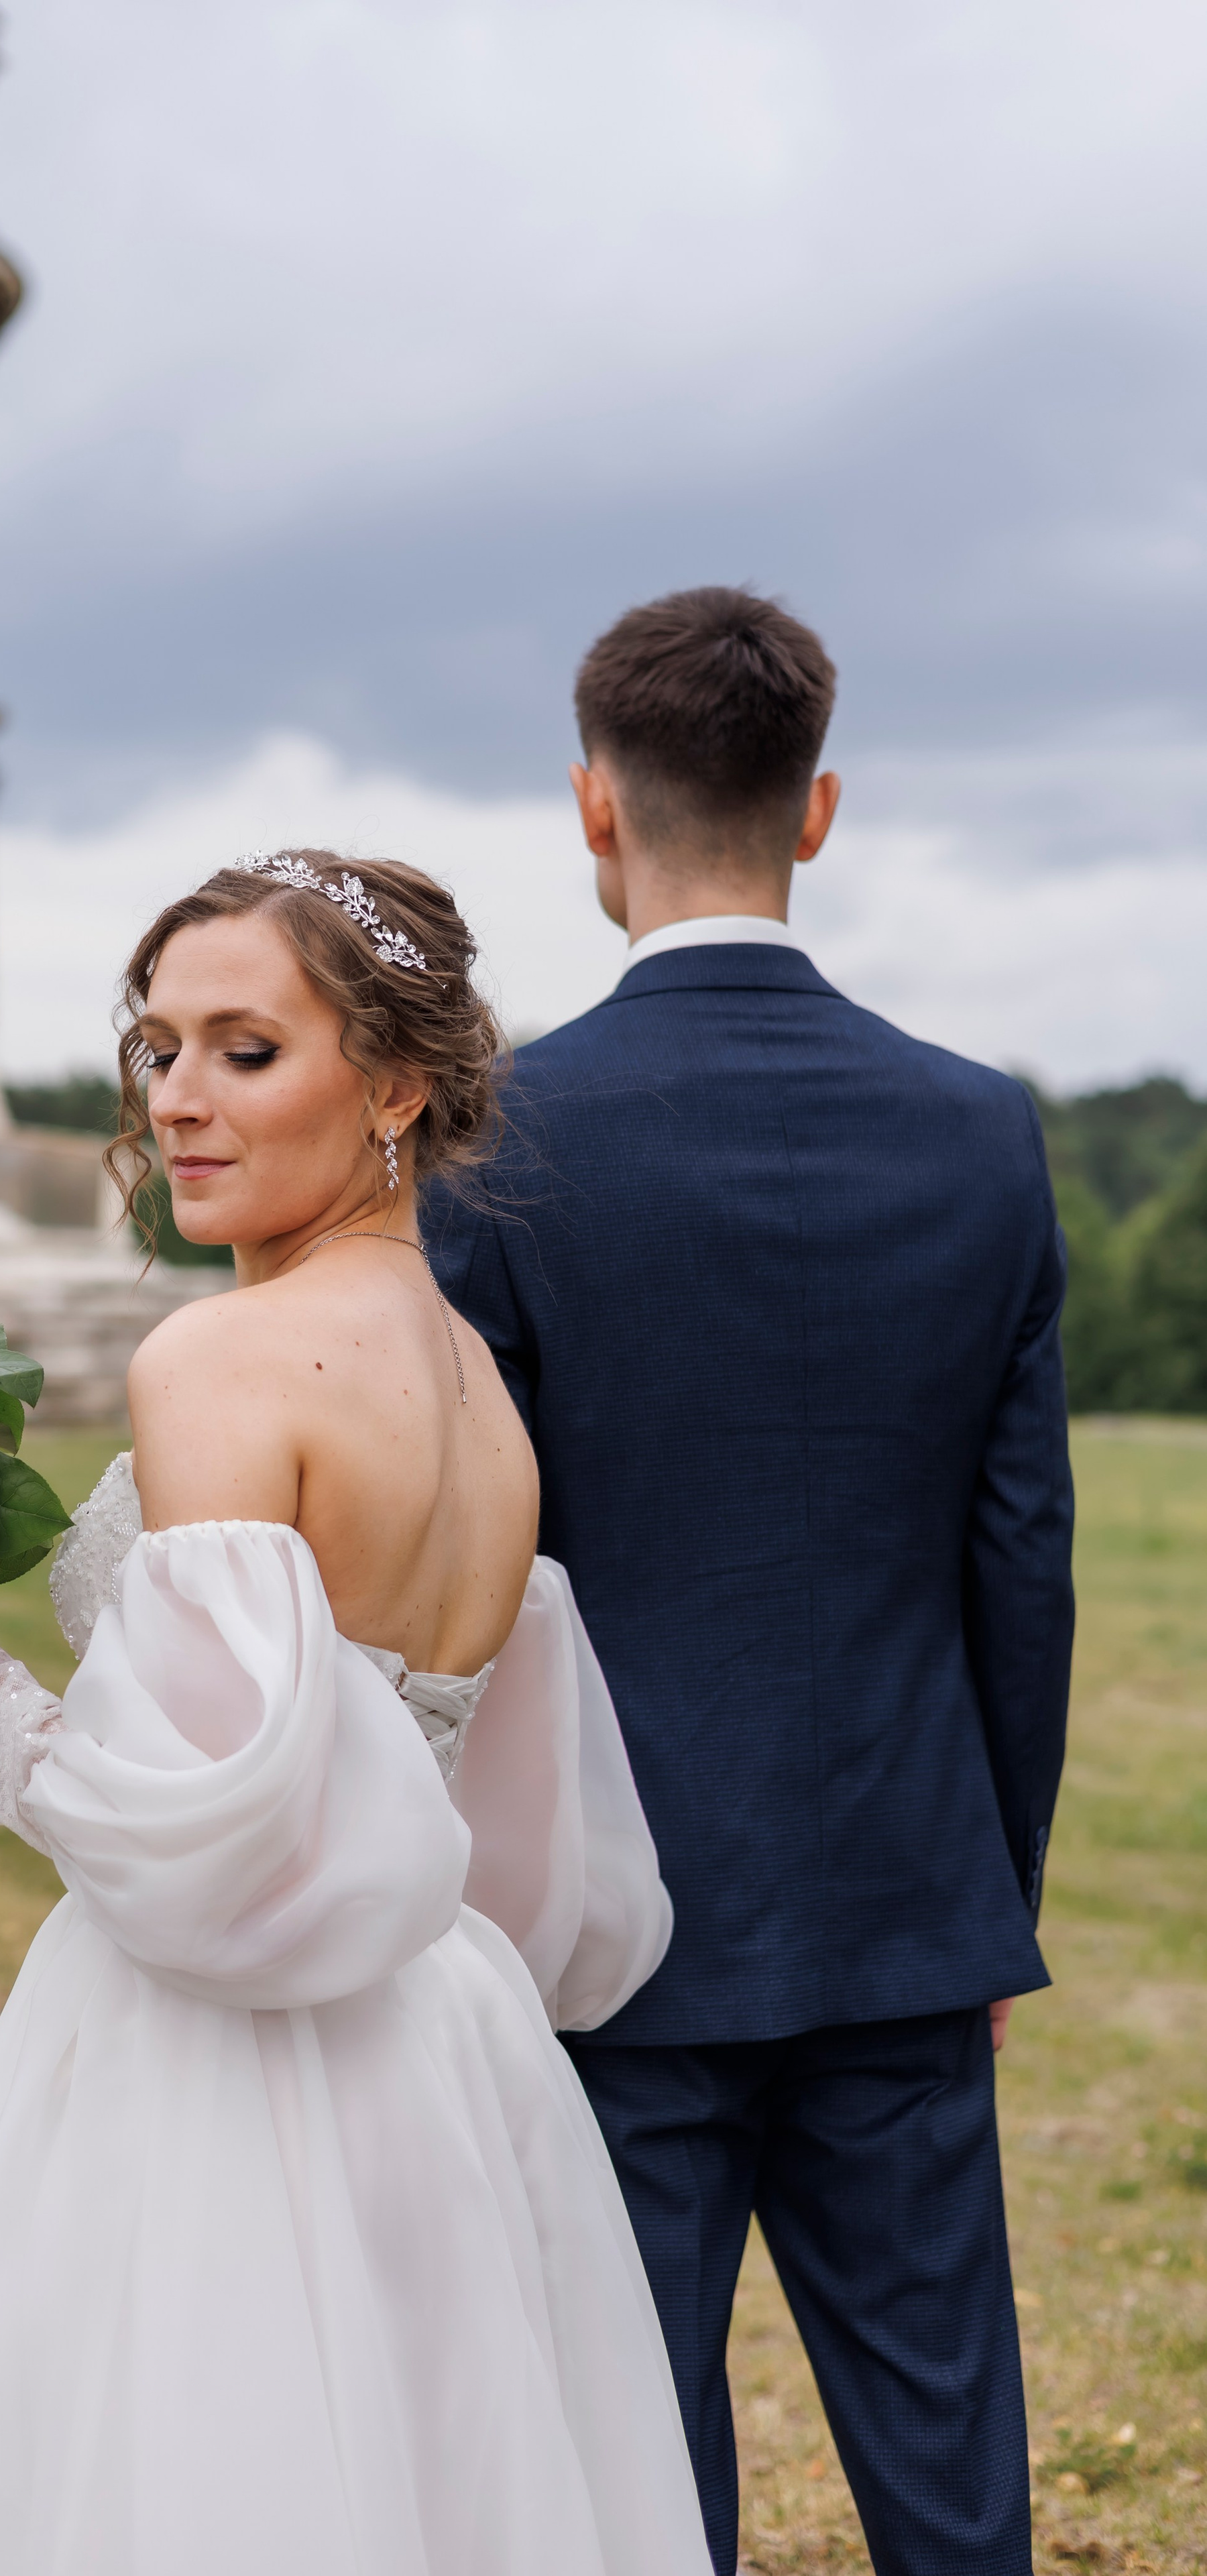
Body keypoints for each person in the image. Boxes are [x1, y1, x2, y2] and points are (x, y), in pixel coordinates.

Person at [0, 852, 715, 2576]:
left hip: (231, 2071)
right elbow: (527, 1846)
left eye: (245, 1050)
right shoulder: (473, 1378)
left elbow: (203, 1851)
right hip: (449, 2047)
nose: (176, 1100)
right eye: (156, 1047)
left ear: (395, 1083)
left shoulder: (219, 1364)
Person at [426, 585, 1075, 2576]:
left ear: (591, 811)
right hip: (904, 1902)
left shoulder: (496, 1142)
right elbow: (1019, 1561)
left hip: (605, 1930)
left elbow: (470, 1570)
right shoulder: (983, 1134)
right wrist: (988, 1898)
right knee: (950, 2458)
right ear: (821, 811)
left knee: (635, 2463)